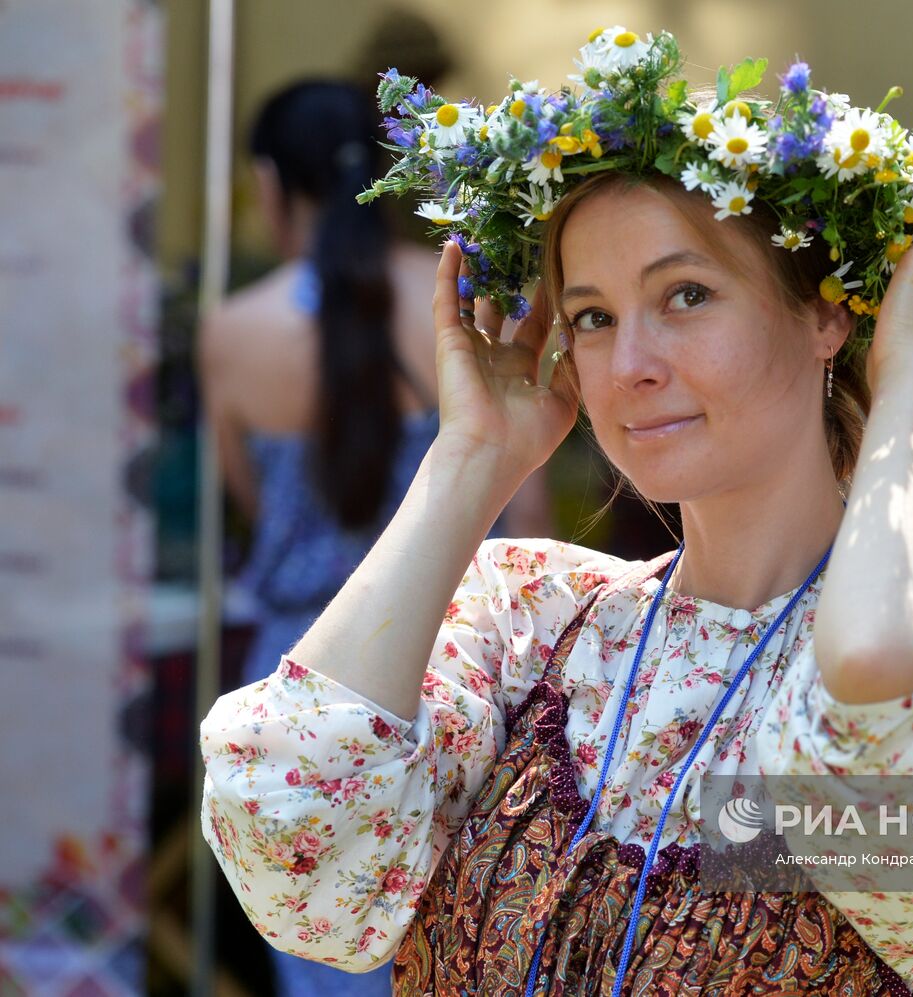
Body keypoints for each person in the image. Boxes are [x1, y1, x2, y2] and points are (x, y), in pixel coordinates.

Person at [199, 43, 913, 994]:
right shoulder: (530, 621)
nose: (630, 366)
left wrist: (909, 361)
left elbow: (878, 669)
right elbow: (294, 839)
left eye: (686, 295)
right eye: (591, 316)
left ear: (828, 312)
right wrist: (471, 457)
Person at [196, 79, 548, 997]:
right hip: (455, 656)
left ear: (271, 184)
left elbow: (244, 495)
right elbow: (531, 514)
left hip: (302, 673)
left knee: (327, 944)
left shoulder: (232, 333)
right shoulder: (462, 306)